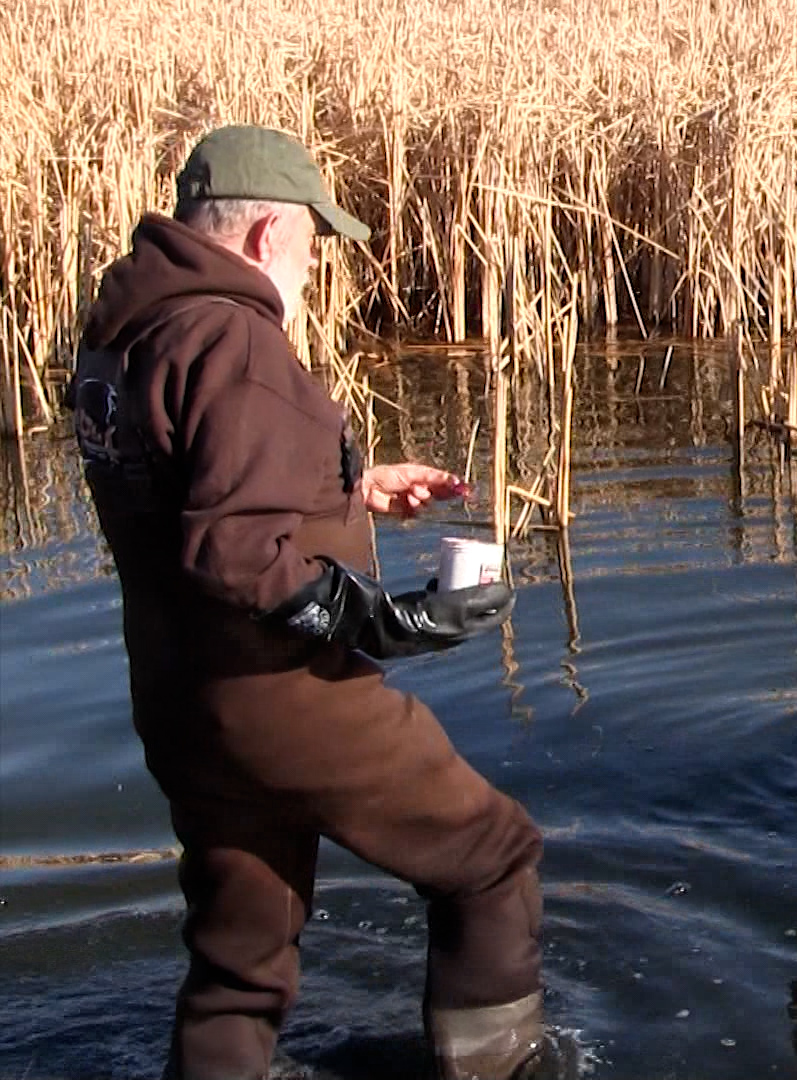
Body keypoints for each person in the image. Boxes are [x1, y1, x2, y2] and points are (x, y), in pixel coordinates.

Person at [69, 125, 548, 1080]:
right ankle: (496, 1066)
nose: (312, 266)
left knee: (241, 959)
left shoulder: (125, 337)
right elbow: (238, 555)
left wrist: (349, 489)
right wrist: (393, 621)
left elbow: (189, 488)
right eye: (311, 242)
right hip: (284, 698)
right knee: (494, 857)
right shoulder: (236, 340)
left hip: (179, 701)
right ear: (260, 240)